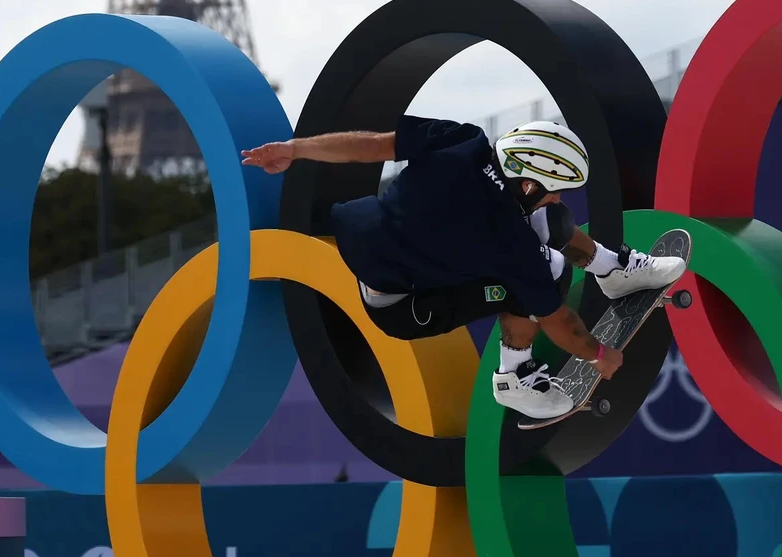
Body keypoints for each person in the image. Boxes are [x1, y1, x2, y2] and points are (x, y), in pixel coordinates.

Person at [241, 115, 686, 422]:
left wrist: (295, 149)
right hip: (405, 305)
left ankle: (612, 269)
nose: (561, 199)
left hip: (386, 247)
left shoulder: (465, 141)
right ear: (529, 182)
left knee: (545, 225)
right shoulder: (506, 242)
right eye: (557, 190)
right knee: (545, 271)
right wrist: (601, 357)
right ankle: (514, 379)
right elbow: (558, 321)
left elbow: (372, 145)